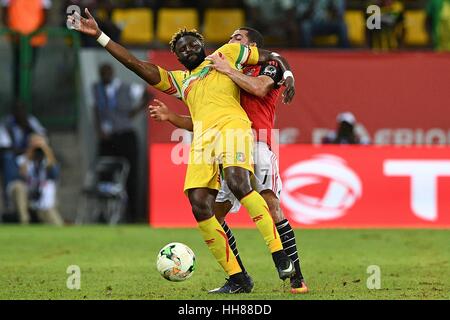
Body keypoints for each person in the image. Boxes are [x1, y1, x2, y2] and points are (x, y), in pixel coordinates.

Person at [67, 9, 297, 294]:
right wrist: (101, 36)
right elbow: (135, 64)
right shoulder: (179, 81)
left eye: (193, 43)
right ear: (176, 57)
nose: (188, 48)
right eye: (180, 47)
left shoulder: (227, 53)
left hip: (233, 127)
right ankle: (238, 278)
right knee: (200, 205)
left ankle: (279, 254)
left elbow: (270, 56)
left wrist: (287, 75)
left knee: (239, 182)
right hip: (202, 140)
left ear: (203, 46)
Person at [149, 27, 308, 294]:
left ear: (252, 47)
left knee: (271, 205)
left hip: (257, 142)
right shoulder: (217, 71)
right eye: (230, 38)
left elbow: (259, 90)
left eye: (237, 39)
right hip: (226, 143)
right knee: (215, 213)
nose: (230, 42)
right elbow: (203, 120)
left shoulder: (263, 69)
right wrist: (171, 118)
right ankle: (239, 276)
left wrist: (230, 70)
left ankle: (295, 275)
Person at [93, 62, 152, 222]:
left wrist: (134, 112)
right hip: (108, 137)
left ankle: (132, 215)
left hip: (125, 135)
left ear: (112, 73)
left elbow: (148, 94)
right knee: (105, 174)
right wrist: (99, 130)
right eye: (102, 73)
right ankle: (104, 214)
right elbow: (96, 111)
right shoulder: (97, 89)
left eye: (107, 72)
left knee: (131, 176)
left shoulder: (125, 88)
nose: (104, 76)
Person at [7, 134, 63, 225]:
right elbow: (17, 176)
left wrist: (47, 151)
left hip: (43, 195)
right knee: (18, 186)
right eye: (34, 144)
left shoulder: (47, 160)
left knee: (56, 223)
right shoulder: (19, 159)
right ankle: (24, 221)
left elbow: (55, 175)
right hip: (26, 191)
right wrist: (28, 156)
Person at [0, 101, 47, 208]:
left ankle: (40, 193)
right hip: (15, 157)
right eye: (17, 110)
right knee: (7, 157)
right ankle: (10, 193)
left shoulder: (30, 121)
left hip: (30, 156)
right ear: (13, 112)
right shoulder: (6, 123)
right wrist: (25, 151)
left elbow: (43, 137)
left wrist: (29, 128)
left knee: (48, 161)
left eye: (22, 110)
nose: (20, 113)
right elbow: (4, 146)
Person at [1, 0, 52, 96]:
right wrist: (14, 34)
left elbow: (46, 16)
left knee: (28, 69)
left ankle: (26, 100)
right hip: (17, 39)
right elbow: (4, 13)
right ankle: (18, 102)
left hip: (35, 39)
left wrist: (33, 35)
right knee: (18, 69)